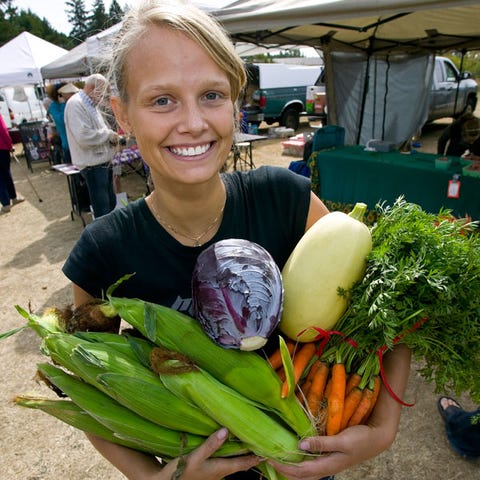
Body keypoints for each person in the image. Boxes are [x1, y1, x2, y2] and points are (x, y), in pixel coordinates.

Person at [62, 1, 411, 479]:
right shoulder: (102, 252)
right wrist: (150, 478)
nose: (192, 122)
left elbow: (384, 317)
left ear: (235, 102)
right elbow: (91, 385)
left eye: (211, 94)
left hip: (304, 461)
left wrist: (384, 428)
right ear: (122, 116)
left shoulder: (285, 199)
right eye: (162, 100)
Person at [64, 74, 119, 219]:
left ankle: (110, 236)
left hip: (101, 162)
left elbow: (97, 129)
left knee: (110, 204)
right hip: (92, 165)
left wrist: (110, 138)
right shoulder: (76, 104)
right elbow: (83, 136)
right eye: (103, 91)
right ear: (92, 89)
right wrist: (108, 135)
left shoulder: (89, 104)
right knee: (103, 208)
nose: (105, 96)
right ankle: (105, 239)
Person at [46, 82, 77, 164]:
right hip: (68, 145)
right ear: (60, 94)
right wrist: (63, 104)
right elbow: (64, 120)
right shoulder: (54, 107)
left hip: (79, 143)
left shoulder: (73, 102)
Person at [0, 114, 24, 214]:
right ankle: (13, 198)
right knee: (6, 174)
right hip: (1, 148)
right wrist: (10, 145)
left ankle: (6, 203)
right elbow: (3, 131)